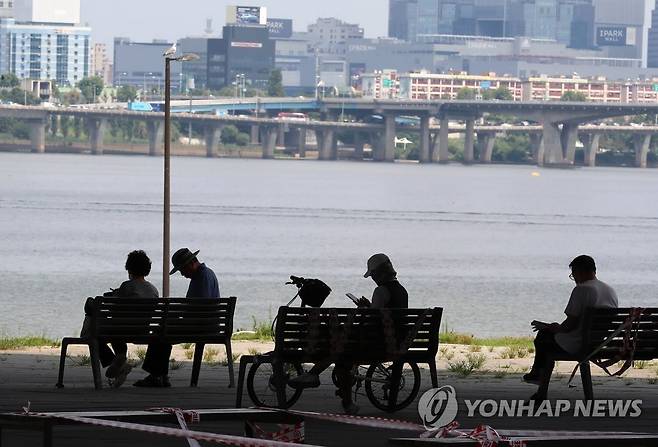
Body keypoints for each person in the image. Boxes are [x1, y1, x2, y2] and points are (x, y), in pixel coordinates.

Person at [289, 253, 408, 415]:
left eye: (373, 275)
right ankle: (317, 377)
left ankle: (332, 389)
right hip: (394, 341)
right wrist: (369, 308)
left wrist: (363, 311)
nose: (373, 279)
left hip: (378, 344)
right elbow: (384, 317)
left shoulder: (381, 291)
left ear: (380, 273)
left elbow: (372, 322)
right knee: (343, 351)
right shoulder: (402, 291)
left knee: (342, 357)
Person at [524, 255, 618, 399]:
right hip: (598, 343)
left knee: (543, 337)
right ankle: (539, 384)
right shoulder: (609, 290)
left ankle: (537, 375)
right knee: (547, 337)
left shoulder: (582, 289)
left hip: (579, 344)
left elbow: (571, 323)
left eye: (573, 275)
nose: (574, 279)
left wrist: (555, 327)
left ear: (580, 272)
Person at [134, 248, 220, 387]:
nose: (182, 274)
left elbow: (198, 308)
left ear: (191, 264)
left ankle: (157, 376)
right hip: (207, 324)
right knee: (164, 329)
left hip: (202, 326)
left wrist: (179, 316)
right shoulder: (205, 274)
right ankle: (159, 376)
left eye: (182, 270)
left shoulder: (201, 277)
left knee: (162, 331)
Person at [94, 250, 159, 388]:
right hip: (143, 330)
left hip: (122, 329)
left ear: (129, 268)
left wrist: (115, 295)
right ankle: (119, 361)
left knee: (94, 331)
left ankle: (118, 359)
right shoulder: (154, 290)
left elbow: (115, 310)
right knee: (119, 328)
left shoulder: (126, 286)